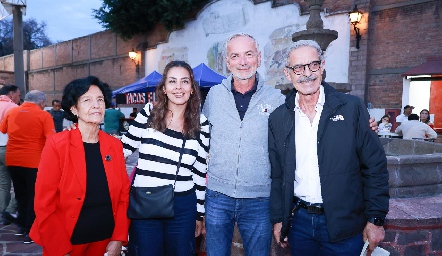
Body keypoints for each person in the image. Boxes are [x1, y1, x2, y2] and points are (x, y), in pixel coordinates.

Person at [201, 33, 379, 256]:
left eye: (248, 54)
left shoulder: (277, 100)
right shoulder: (214, 96)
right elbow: (200, 134)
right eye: (235, 56)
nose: (243, 62)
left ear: (259, 57)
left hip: (259, 199)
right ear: (228, 62)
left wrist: (365, 125)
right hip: (218, 196)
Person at [268, 40, 389, 256]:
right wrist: (279, 220)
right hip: (300, 224)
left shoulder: (352, 108)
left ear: (322, 65)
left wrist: (376, 220)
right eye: (298, 68)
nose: (306, 73)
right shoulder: (278, 118)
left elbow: (375, 167)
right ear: (288, 74)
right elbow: (278, 175)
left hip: (346, 225)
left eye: (313, 65)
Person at [29, 76, 130, 256]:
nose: (96, 105)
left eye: (100, 99)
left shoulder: (114, 146)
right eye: (87, 100)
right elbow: (44, 203)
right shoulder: (58, 145)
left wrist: (118, 239)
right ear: (74, 109)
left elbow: (123, 196)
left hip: (104, 241)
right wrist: (60, 249)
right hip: (67, 241)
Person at [121, 61, 210, 256]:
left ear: (192, 89)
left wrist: (199, 214)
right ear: (164, 88)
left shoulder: (202, 123)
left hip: (183, 207)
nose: (178, 87)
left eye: (184, 81)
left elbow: (199, 171)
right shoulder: (148, 114)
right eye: (172, 81)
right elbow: (122, 151)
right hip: (146, 202)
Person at [0, 90, 55, 243]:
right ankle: (31, 230)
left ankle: (22, 226)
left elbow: (3, 129)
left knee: (21, 195)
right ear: (42, 102)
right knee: (34, 196)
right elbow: (51, 139)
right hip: (33, 161)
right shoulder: (43, 115)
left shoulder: (12, 112)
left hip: (12, 159)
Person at [0, 85, 20, 225]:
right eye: (19, 95)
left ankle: (2, 212)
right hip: (9, 148)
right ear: (12, 94)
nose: (19, 98)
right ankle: (10, 210)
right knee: (20, 182)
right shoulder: (13, 108)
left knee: (3, 183)